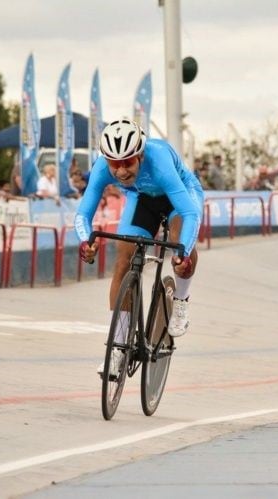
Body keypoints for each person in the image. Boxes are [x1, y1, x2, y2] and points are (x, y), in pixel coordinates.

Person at [74, 119, 203, 377]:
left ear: (140, 155)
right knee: (123, 260)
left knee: (179, 240)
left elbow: (190, 213)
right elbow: (82, 215)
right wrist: (87, 241)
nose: (121, 171)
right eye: (115, 164)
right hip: (142, 199)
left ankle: (180, 300)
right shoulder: (102, 168)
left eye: (128, 162)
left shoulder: (159, 160)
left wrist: (183, 253)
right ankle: (118, 349)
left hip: (179, 197)